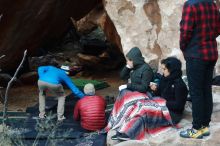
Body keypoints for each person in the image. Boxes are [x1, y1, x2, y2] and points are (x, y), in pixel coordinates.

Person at [179, 0, 220, 139]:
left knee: (196, 92)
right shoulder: (212, 3)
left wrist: (184, 47)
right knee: (206, 90)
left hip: (196, 54)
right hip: (211, 53)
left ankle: (196, 128)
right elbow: (218, 29)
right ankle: (205, 127)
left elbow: (185, 31)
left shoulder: (190, 4)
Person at [150, 57, 188, 125]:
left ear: (172, 70)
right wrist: (155, 89)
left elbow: (179, 105)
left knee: (147, 115)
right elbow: (160, 93)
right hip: (162, 106)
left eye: (164, 69)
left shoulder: (179, 84)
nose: (162, 71)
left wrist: (163, 103)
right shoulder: (164, 78)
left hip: (173, 114)